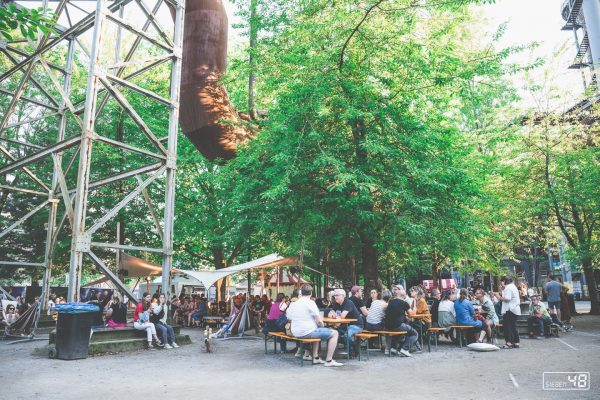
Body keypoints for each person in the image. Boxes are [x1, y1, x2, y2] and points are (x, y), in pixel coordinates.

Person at [286, 284, 343, 367]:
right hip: (307, 332)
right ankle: (329, 360)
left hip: (295, 331)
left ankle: (315, 357)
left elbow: (289, 317)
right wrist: (323, 325)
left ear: (301, 292)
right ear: (311, 293)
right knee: (335, 333)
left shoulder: (295, 303)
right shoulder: (311, 303)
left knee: (316, 329)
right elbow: (319, 320)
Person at [384, 288, 418, 357]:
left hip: (387, 326)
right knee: (414, 333)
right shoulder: (404, 303)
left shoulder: (390, 302)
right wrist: (415, 307)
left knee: (400, 332)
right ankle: (405, 349)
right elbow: (411, 315)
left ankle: (393, 348)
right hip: (397, 325)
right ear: (404, 296)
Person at [329, 288, 364, 355]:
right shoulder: (337, 303)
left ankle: (351, 350)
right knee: (332, 333)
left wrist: (335, 315)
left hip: (356, 325)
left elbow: (342, 316)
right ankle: (354, 346)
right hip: (346, 325)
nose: (335, 297)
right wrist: (333, 313)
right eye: (334, 295)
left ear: (342, 296)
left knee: (346, 336)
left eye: (337, 295)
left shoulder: (348, 302)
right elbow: (331, 312)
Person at [494, 276, 521, 349]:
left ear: (504, 281)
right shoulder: (513, 286)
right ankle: (516, 342)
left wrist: (498, 296)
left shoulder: (508, 287)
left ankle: (509, 343)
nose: (501, 283)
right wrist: (502, 290)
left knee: (507, 326)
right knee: (513, 326)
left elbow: (507, 299)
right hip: (514, 309)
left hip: (509, 309)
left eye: (501, 281)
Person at [411, 287, 431, 351]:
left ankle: (417, 347)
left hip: (425, 322)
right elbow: (411, 311)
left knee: (413, 329)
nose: (411, 291)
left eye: (412, 290)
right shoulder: (415, 300)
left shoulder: (421, 301)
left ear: (417, 292)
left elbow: (416, 312)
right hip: (419, 321)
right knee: (409, 326)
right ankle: (413, 345)